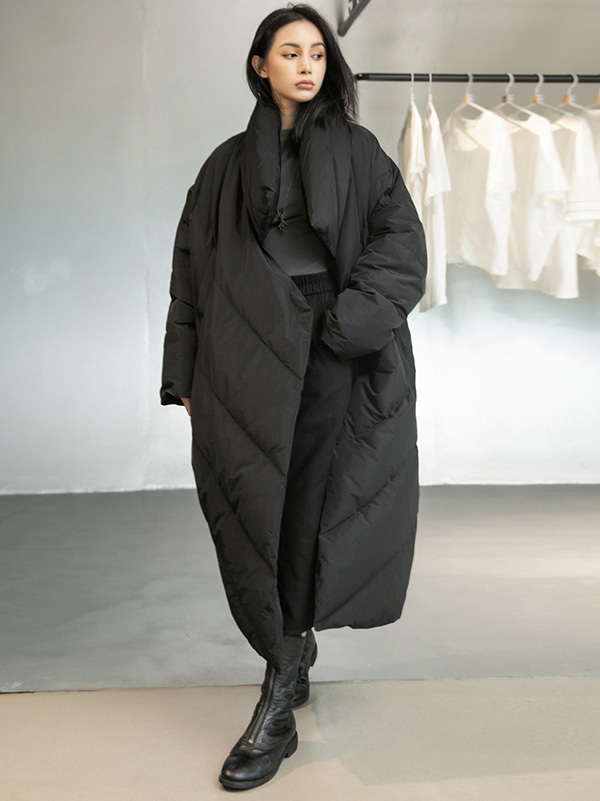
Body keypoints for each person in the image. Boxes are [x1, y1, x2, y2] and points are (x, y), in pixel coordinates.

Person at [160, 3, 427, 791]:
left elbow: (402, 247)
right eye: (290, 52)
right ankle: (291, 650)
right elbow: (190, 270)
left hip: (330, 354)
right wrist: (183, 371)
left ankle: (277, 693)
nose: (307, 65)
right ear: (260, 65)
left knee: (306, 514)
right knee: (251, 510)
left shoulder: (359, 150)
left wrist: (345, 327)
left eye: (317, 52)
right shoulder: (223, 166)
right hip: (245, 356)